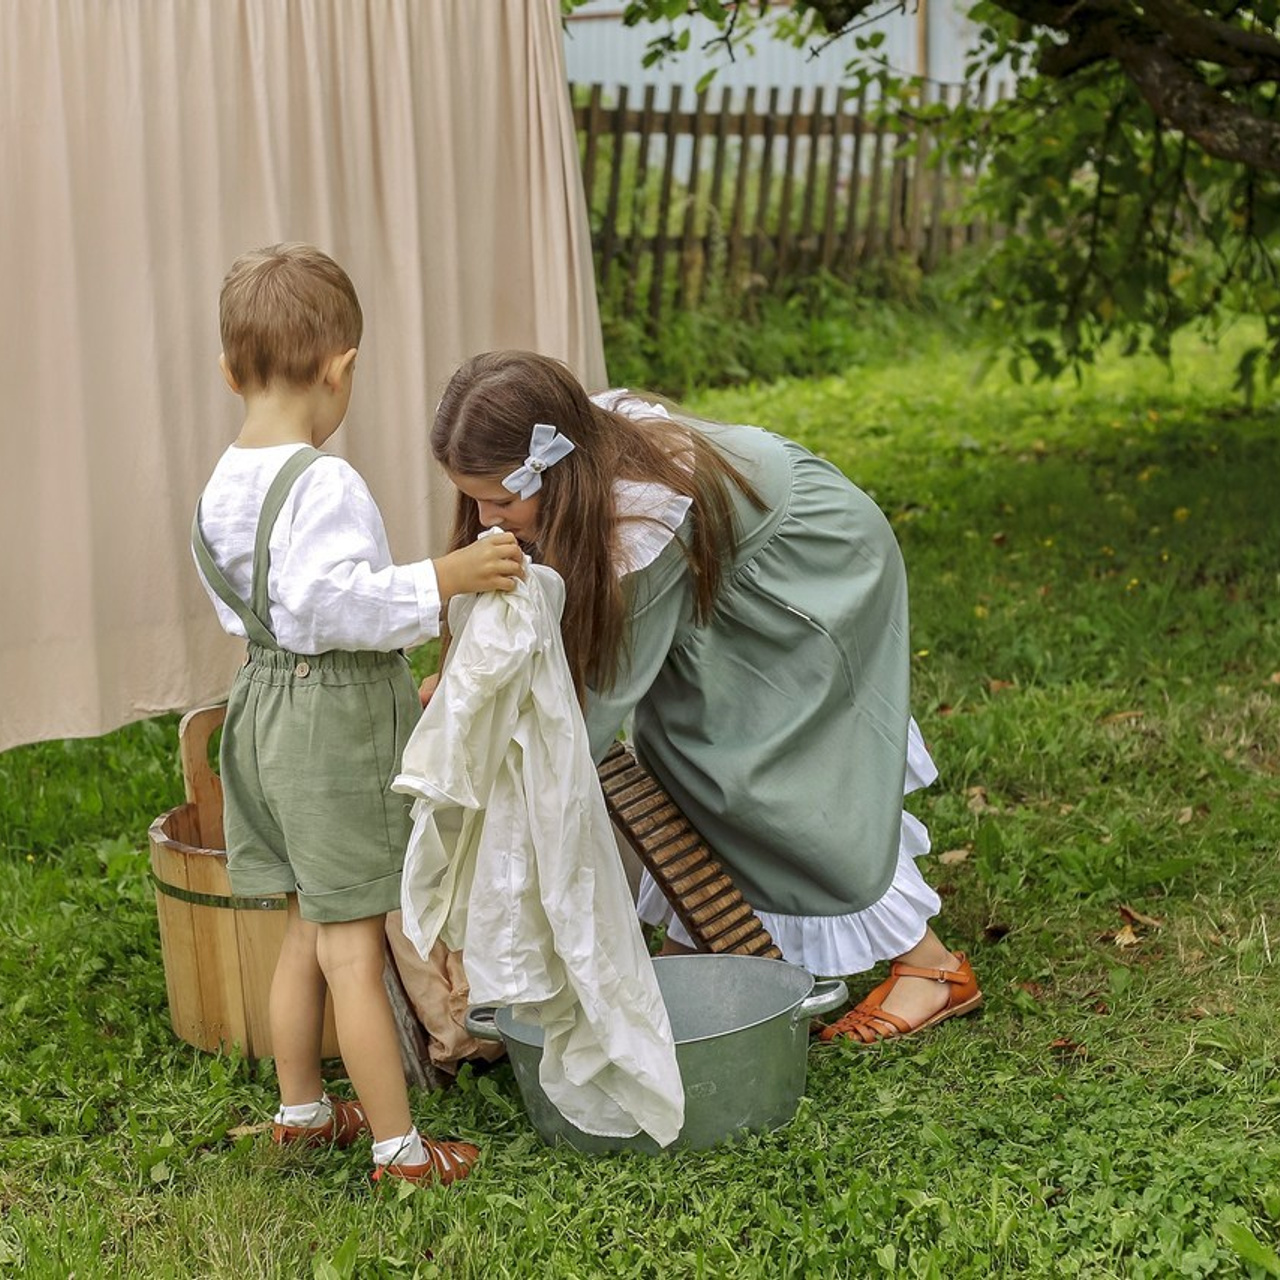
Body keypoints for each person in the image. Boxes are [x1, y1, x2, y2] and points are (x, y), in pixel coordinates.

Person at [426, 350, 982, 1044]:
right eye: (472, 497)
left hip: (810, 565)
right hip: (733, 571)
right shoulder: (581, 461)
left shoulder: (643, 521)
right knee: (682, 748)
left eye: (501, 501)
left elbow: (592, 704)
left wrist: (489, 743)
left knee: (765, 771)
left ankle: (930, 968)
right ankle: (708, 933)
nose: (485, 518)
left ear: (552, 472)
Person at [192, 244, 524, 1185]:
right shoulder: (322, 482)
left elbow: (262, 607)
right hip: (328, 725)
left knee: (305, 926)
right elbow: (335, 604)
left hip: (257, 710)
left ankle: (302, 1109)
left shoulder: (223, 483)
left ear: (230, 371)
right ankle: (400, 1147)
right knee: (351, 946)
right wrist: (441, 581)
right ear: (341, 370)